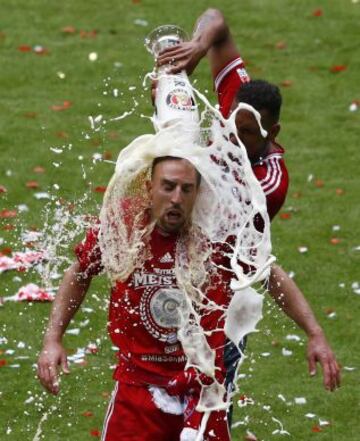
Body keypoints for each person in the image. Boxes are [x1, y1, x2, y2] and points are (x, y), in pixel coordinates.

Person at [157, 7, 340, 394]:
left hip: (220, 303)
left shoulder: (267, 184)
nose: (232, 138)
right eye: (229, 127)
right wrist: (196, 47)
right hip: (177, 278)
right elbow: (215, 19)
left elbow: (256, 264)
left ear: (272, 131)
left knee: (209, 411)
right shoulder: (239, 104)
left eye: (245, 134)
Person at [37, 155, 236, 441]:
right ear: (148, 188)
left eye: (186, 189)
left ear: (197, 193)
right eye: (168, 187)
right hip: (138, 391)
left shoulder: (217, 235)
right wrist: (52, 339)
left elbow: (270, 272)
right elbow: (81, 272)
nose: (177, 198)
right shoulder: (123, 226)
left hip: (202, 393)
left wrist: (315, 333)